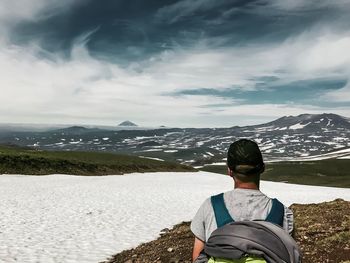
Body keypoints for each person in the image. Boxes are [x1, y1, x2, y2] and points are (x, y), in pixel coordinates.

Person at [190, 139, 294, 262]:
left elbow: (197, 257)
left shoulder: (210, 206)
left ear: (229, 171)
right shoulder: (282, 213)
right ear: (262, 168)